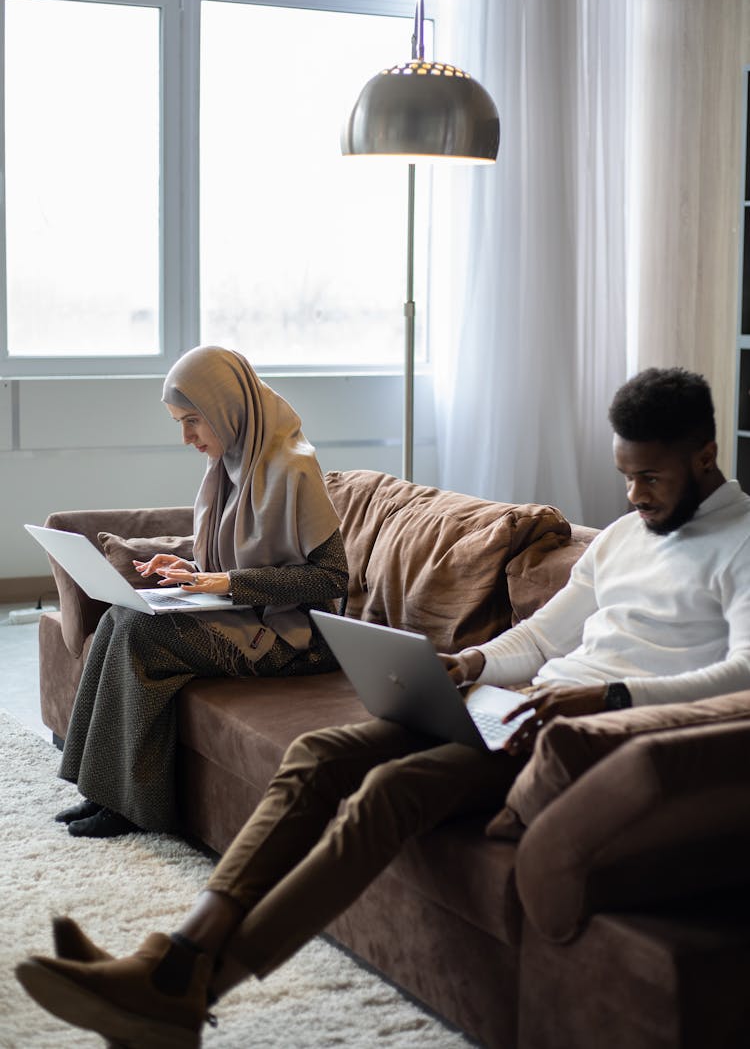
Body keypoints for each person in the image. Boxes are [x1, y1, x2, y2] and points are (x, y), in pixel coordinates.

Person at [17, 367, 750, 1047]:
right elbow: (544, 634)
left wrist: (609, 695)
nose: (633, 496)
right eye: (624, 475)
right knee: (319, 754)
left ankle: (183, 984)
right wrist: (472, 661)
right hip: (522, 704)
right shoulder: (625, 536)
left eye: (649, 477)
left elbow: (743, 672)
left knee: (389, 792)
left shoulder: (741, 542)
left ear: (706, 454)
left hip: (594, 734)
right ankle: (178, 956)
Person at [53, 345, 348, 838]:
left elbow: (331, 579)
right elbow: (244, 551)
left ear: (227, 409)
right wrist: (194, 566)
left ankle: (131, 809)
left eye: (193, 421)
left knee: (139, 636)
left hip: (298, 639)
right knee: (117, 618)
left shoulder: (295, 469)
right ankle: (98, 790)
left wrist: (228, 583)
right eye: (179, 423)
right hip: (249, 611)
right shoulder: (232, 462)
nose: (186, 437)